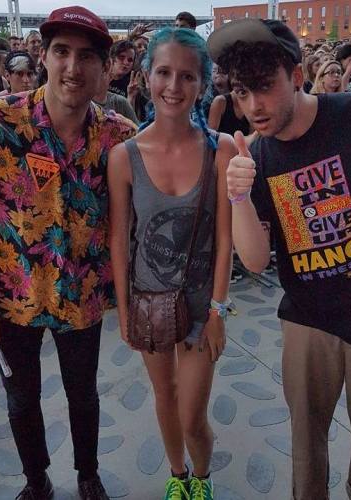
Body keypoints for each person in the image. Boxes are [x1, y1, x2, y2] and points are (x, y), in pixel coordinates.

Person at [208, 17, 351, 500]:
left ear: (297, 75)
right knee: (305, 462)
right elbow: (257, 260)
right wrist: (238, 196)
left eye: (264, 88)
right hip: (308, 321)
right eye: (242, 93)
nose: (253, 107)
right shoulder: (259, 156)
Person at [0, 6, 135, 500]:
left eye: (87, 56)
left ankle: (87, 474)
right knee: (20, 400)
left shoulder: (119, 136)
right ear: (44, 57)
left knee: (84, 396)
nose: (73, 67)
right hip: (10, 296)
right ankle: (36, 480)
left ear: (104, 66)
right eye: (61, 52)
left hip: (84, 295)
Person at [108, 26, 234, 500]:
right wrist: (122, 309)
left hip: (203, 305)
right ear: (145, 76)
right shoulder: (125, 157)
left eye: (187, 75)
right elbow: (120, 240)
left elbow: (225, 240)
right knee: (165, 396)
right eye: (164, 72)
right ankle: (178, 477)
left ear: (203, 84)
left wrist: (220, 311)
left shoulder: (219, 150)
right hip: (148, 301)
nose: (174, 86)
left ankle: (202, 477)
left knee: (193, 412)